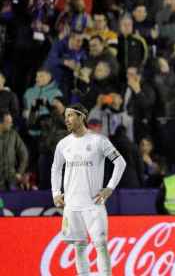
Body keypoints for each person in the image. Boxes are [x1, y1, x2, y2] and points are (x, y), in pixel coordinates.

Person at [51, 103, 127, 276]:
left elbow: (120, 162)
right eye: (66, 116)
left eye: (70, 115)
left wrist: (109, 187)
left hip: (94, 204)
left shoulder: (98, 140)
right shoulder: (63, 144)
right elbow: (55, 168)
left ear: (81, 117)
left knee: (100, 244)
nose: (67, 119)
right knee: (79, 246)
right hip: (71, 205)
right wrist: (56, 193)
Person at [0, 110, 28, 190]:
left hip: (11, 179)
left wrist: (19, 172)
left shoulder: (13, 135)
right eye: (8, 122)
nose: (11, 124)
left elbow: (24, 154)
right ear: (1, 123)